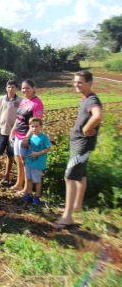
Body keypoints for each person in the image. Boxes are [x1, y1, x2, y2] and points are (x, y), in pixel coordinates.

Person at [55, 71, 102, 229]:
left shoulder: (92, 100)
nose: (76, 85)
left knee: (69, 177)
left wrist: (87, 128)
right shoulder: (85, 99)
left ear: (89, 83)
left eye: (80, 82)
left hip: (82, 144)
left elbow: (97, 116)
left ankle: (68, 217)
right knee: (81, 175)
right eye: (75, 82)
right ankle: (76, 206)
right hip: (78, 144)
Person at [10, 80, 44, 193]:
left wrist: (27, 138)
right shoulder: (24, 100)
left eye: (27, 88)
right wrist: (12, 131)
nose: (24, 90)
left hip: (26, 137)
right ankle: (19, 184)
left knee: (26, 163)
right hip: (17, 135)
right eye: (23, 88)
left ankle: (26, 188)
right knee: (18, 160)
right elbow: (18, 117)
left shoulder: (37, 104)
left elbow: (35, 124)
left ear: (34, 88)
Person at [0, 80, 21, 184]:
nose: (10, 89)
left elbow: (21, 117)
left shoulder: (20, 101)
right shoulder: (1, 99)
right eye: (9, 87)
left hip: (14, 133)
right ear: (6, 88)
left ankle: (6, 175)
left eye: (13, 87)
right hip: (2, 130)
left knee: (10, 154)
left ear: (16, 89)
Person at [21, 118, 51, 205]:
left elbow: (48, 148)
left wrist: (38, 153)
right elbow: (25, 146)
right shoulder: (31, 137)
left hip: (38, 163)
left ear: (41, 127)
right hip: (29, 161)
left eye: (36, 126)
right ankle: (29, 194)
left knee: (37, 180)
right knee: (29, 179)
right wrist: (25, 141)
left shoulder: (44, 137)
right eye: (32, 126)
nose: (34, 128)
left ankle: (37, 197)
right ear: (30, 127)